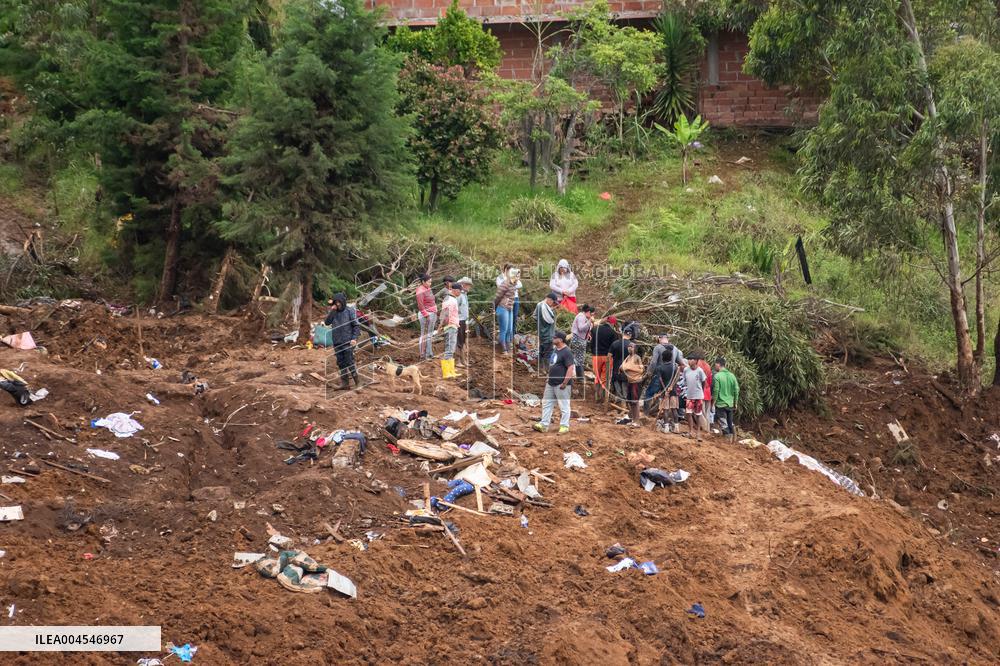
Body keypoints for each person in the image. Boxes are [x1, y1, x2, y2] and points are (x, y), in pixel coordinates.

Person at [533, 331, 575, 434]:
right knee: (547, 403)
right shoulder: (556, 350)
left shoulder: (567, 352)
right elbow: (553, 364)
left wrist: (565, 383)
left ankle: (564, 426)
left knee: (564, 405)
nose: (553, 339)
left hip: (561, 384)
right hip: (551, 383)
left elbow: (570, 368)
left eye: (555, 338)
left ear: (560, 340)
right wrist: (549, 377)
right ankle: (544, 424)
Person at [324, 293, 361, 390]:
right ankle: (345, 384)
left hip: (348, 341)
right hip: (337, 341)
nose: (338, 304)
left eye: (339, 302)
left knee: (349, 361)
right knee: (340, 362)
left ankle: (358, 383)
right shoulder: (334, 311)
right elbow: (327, 322)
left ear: (343, 302)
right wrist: (332, 311)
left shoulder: (350, 311)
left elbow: (356, 326)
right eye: (336, 302)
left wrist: (354, 338)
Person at [649, 351, 681, 431]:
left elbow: (660, 380)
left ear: (663, 358)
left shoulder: (660, 367)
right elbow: (677, 378)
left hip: (664, 392)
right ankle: (676, 427)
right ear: (671, 357)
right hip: (673, 391)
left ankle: (666, 428)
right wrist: (672, 386)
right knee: (674, 409)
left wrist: (665, 389)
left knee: (666, 409)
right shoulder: (675, 367)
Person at [591, 316, 619, 401]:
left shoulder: (595, 329)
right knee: (605, 378)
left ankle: (596, 397)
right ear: (613, 323)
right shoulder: (613, 333)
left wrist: (593, 351)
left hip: (596, 356)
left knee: (597, 377)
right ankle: (603, 398)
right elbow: (614, 347)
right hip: (607, 357)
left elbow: (591, 342)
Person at [712, 357, 740, 443]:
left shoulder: (717, 376)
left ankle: (727, 442)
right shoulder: (732, 376)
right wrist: (735, 402)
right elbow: (736, 389)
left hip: (721, 404)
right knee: (730, 422)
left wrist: (714, 402)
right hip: (730, 404)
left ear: (718, 364)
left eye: (715, 364)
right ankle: (734, 440)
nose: (714, 366)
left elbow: (716, 390)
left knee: (724, 423)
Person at [439, 281, 462, 379]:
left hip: (454, 325)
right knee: (449, 349)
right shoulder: (449, 299)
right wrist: (441, 326)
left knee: (451, 349)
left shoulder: (453, 299)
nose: (460, 293)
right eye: (460, 291)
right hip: (450, 326)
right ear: (455, 290)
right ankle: (446, 373)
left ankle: (451, 371)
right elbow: (445, 314)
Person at [494, 267, 519, 355]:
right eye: (517, 276)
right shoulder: (505, 284)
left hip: (510, 308)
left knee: (509, 329)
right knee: (504, 329)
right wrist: (495, 308)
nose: (518, 278)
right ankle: (504, 349)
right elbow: (497, 297)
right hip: (502, 308)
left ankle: (508, 348)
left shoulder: (513, 285)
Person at [607, 326, 635, 405]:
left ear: (622, 333)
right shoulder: (632, 345)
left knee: (617, 387)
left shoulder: (615, 343)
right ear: (630, 335)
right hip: (627, 371)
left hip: (616, 369)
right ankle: (623, 404)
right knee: (625, 388)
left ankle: (620, 404)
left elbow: (609, 357)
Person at [642, 334, 672, 408]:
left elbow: (653, 362)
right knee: (664, 393)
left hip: (659, 374)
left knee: (649, 393)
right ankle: (658, 410)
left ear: (659, 339)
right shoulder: (674, 348)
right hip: (670, 375)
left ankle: (646, 412)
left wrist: (649, 373)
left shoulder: (658, 347)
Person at [683, 357, 708, 441]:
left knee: (698, 415)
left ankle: (698, 433)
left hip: (698, 396)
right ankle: (690, 432)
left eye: (692, 359)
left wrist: (701, 390)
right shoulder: (686, 370)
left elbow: (704, 381)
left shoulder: (700, 371)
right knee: (688, 414)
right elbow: (684, 381)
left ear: (696, 361)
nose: (689, 361)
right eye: (689, 359)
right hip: (689, 395)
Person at [534, 292, 559, 374]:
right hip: (547, 334)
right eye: (553, 302)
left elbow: (535, 316)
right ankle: (548, 370)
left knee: (541, 350)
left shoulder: (540, 305)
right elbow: (550, 320)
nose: (553, 304)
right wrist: (552, 312)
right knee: (548, 352)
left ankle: (540, 368)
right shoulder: (544, 307)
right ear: (549, 299)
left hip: (541, 333)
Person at [496, 264, 523, 333]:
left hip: (515, 298)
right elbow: (501, 287)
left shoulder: (513, 276)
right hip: (506, 300)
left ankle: (513, 335)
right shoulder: (500, 277)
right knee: (506, 318)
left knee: (514, 316)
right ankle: (505, 336)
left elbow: (520, 284)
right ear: (506, 270)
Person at [415, 273, 437, 360]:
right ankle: (423, 355)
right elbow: (420, 305)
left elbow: (431, 301)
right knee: (424, 335)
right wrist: (426, 315)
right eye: (428, 282)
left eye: (431, 282)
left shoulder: (428, 288)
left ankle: (429, 353)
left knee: (429, 335)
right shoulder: (420, 291)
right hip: (426, 315)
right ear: (423, 281)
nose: (430, 284)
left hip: (432, 313)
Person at [571, 304, 594, 382]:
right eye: (591, 314)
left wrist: (588, 334)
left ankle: (579, 377)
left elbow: (586, 329)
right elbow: (581, 328)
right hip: (578, 339)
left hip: (581, 339)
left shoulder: (585, 317)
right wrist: (590, 321)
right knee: (579, 358)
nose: (592, 316)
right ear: (588, 312)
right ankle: (579, 377)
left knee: (580, 358)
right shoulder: (581, 316)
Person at [455, 277, 473, 368]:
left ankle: (463, 360)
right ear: (463, 285)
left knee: (462, 341)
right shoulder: (459, 295)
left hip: (464, 321)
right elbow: (455, 308)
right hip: (459, 320)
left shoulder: (465, 295)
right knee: (459, 341)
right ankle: (458, 361)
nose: (469, 287)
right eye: (468, 285)